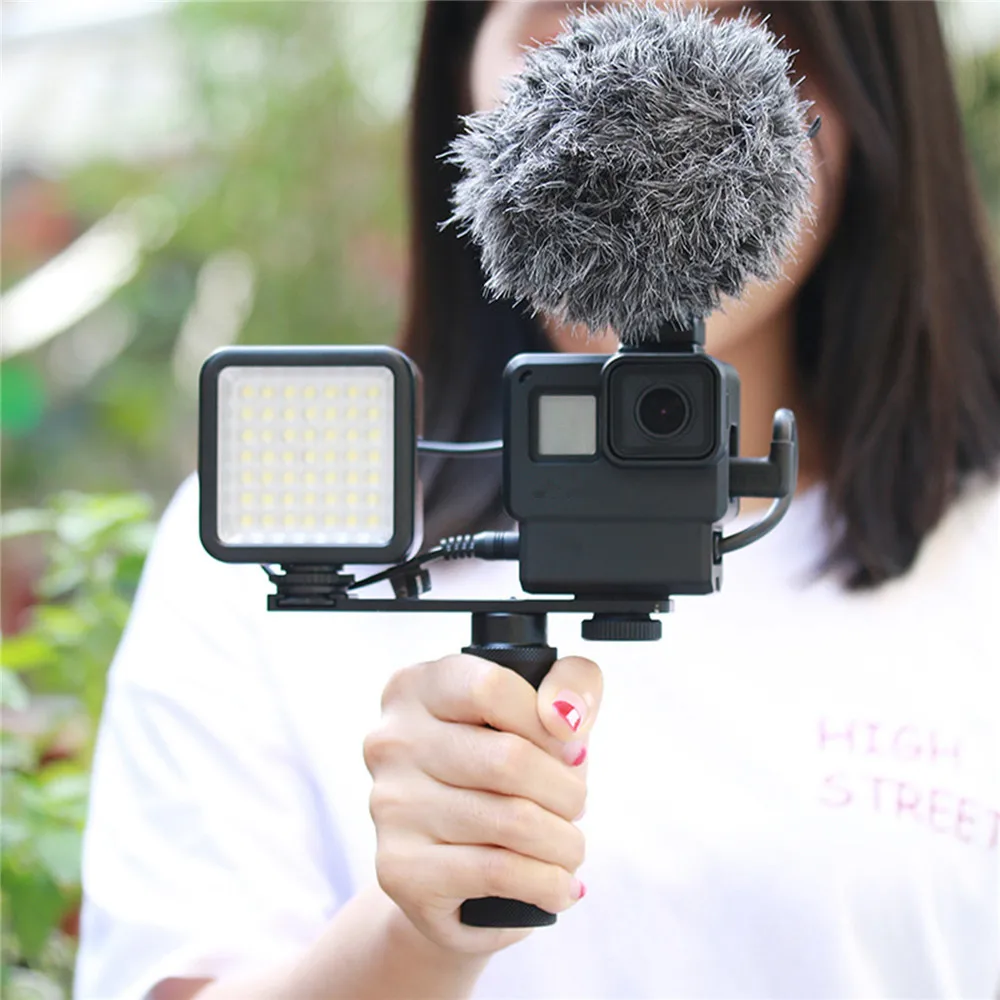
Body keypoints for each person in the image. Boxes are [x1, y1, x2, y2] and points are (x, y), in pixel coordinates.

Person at [75, 1, 1000, 998]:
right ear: (461, 77)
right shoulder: (276, 523)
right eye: (574, 24)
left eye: (734, 27)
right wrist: (414, 930)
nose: (649, 107)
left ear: (865, 92)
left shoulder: (977, 554)